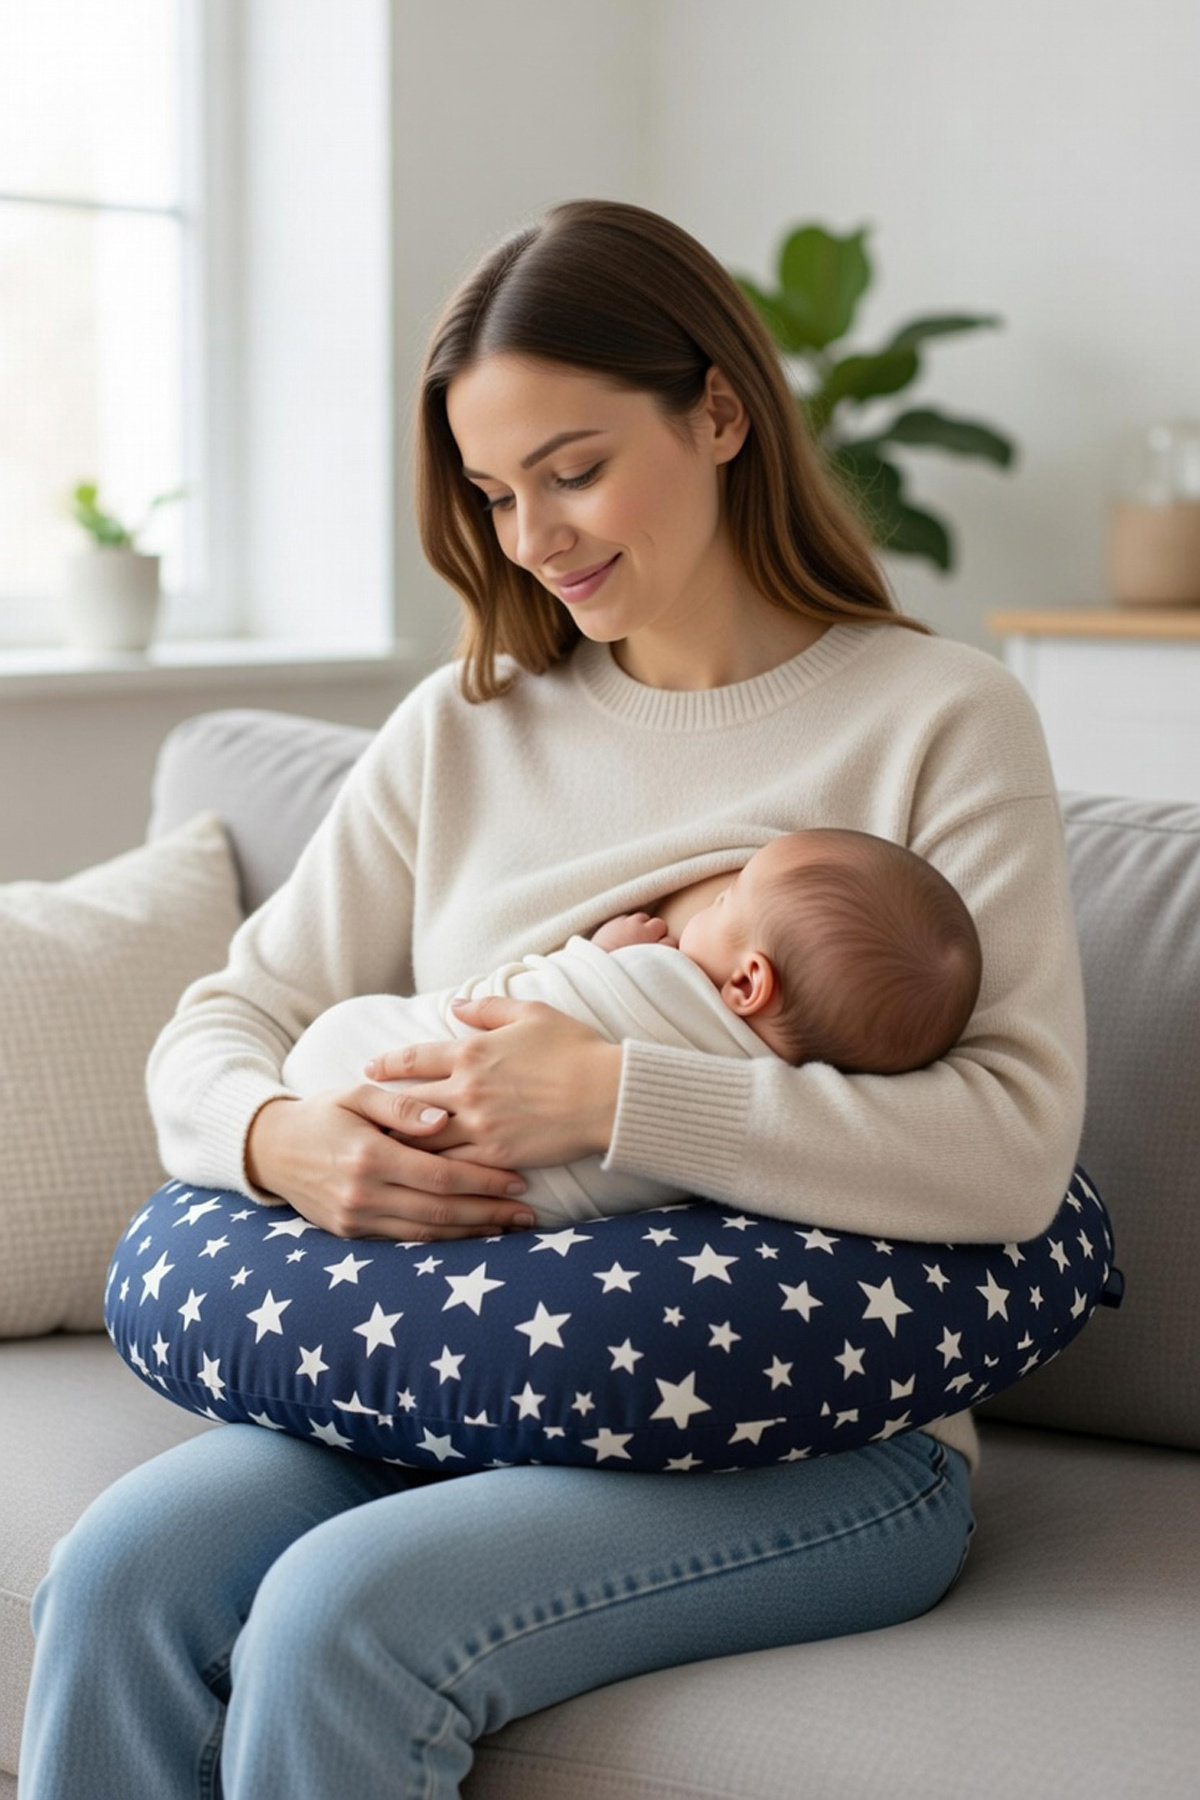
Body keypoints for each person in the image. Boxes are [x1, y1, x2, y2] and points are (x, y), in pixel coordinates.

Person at [19, 198, 1084, 1800]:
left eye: (574, 469)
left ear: (719, 411)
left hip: (814, 1443)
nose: (535, 537)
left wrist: (615, 1099)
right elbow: (218, 1026)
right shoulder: (467, 729)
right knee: (118, 1576)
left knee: (339, 1620)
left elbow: (1007, 1152)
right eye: (496, 491)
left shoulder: (939, 719)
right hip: (449, 1380)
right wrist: (283, 1140)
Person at [280, 827, 983, 1223]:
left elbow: (508, 1003)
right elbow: (246, 1003)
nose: (697, 919)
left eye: (725, 899)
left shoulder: (657, 976)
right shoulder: (778, 1094)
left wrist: (600, 960)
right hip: (469, 1218)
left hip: (357, 1073)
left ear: (746, 982)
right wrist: (270, 1141)